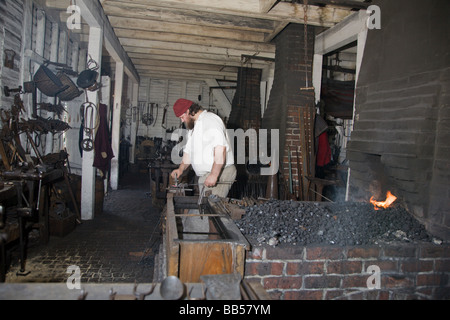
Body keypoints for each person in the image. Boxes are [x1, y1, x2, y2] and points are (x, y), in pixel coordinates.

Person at [170, 98, 236, 198]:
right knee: (205, 208)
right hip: (206, 176)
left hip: (221, 173)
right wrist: (181, 169)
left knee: (212, 209)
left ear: (188, 111)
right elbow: (188, 153)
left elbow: (220, 149)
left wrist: (214, 175)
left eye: (182, 117)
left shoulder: (210, 120)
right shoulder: (193, 127)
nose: (182, 120)